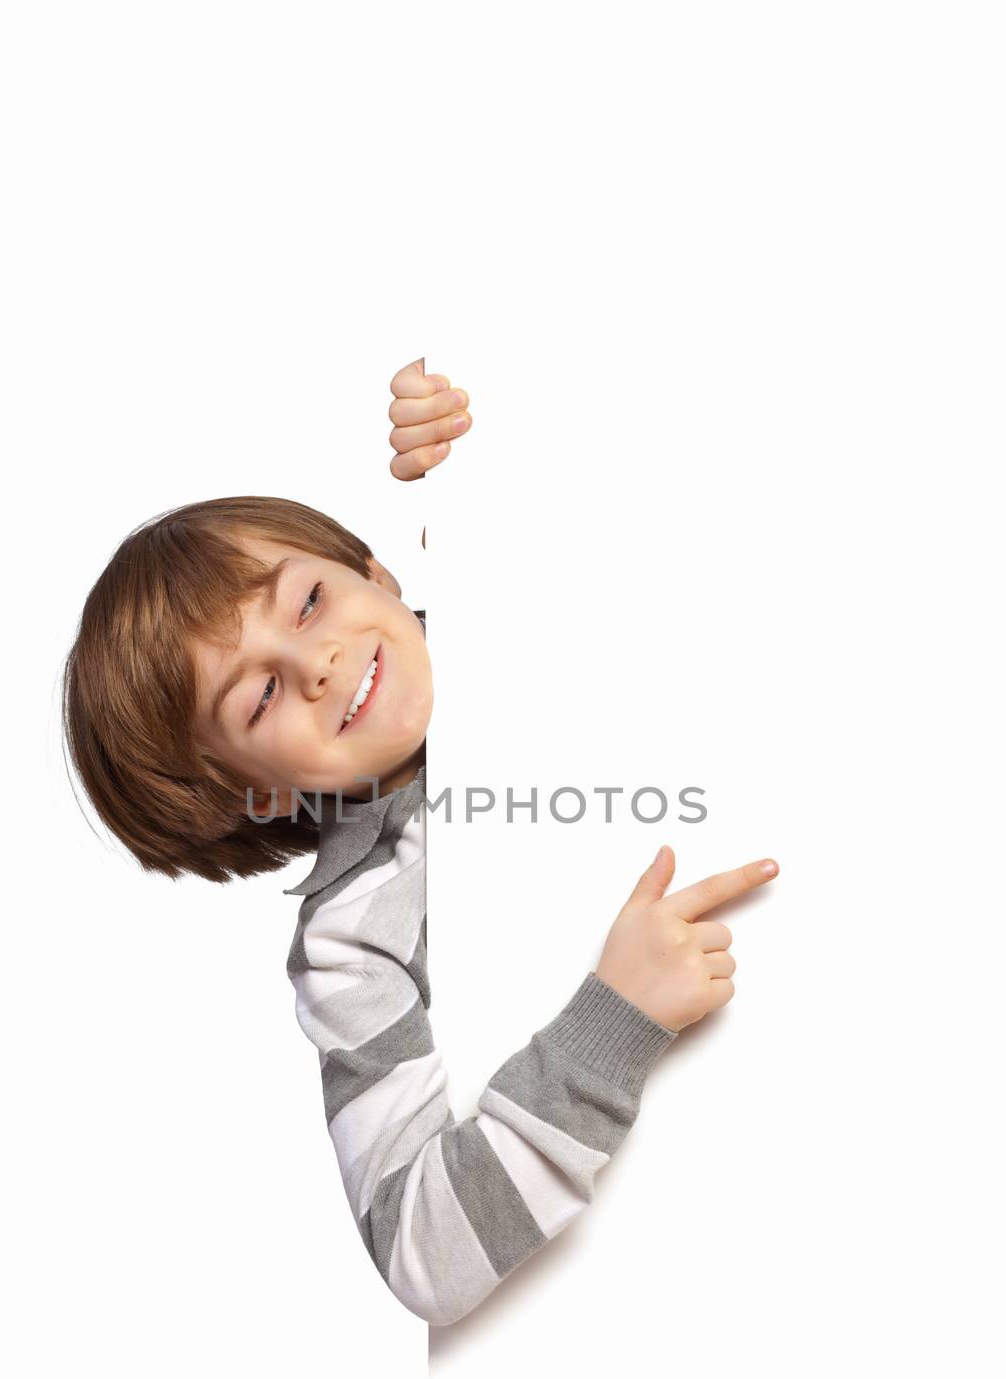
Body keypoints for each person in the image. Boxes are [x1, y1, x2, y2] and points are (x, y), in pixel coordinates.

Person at [61, 357, 779, 1326]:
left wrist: (476, 456)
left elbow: (679, 502)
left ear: (377, 573)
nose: (316, 661)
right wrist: (612, 1021)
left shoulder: (520, 590)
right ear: (252, 792)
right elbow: (421, 1251)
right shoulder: (348, 940)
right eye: (261, 694)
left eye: (308, 601)